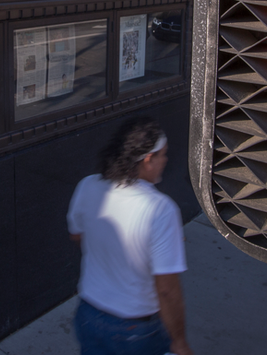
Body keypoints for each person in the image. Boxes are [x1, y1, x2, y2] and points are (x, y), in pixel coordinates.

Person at [67, 119, 193, 355]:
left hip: (88, 316)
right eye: (163, 155)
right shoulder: (161, 209)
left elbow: (77, 235)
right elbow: (167, 288)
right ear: (148, 160)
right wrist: (179, 341)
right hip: (136, 330)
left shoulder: (88, 186)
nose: (165, 161)